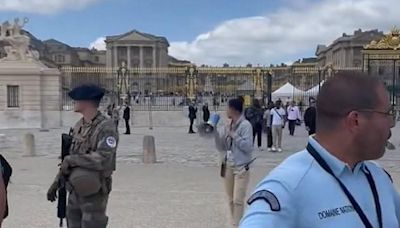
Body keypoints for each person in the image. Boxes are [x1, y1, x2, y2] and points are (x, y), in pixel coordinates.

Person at [240, 72, 399, 228]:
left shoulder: (378, 177)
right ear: (355, 121)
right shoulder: (288, 187)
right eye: (387, 114)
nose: (392, 123)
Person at [47, 84, 118, 228]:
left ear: (86, 102)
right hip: (74, 188)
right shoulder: (79, 125)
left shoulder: (106, 127)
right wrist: (56, 183)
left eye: (77, 100)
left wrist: (72, 160)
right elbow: (67, 159)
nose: (74, 103)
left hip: (94, 189)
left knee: (92, 224)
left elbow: (103, 159)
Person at [215, 98, 253, 227]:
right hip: (228, 165)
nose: (226, 110)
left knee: (238, 199)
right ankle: (234, 222)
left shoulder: (246, 125)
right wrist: (217, 132)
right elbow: (221, 147)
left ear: (233, 109)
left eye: (227, 107)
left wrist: (233, 135)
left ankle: (238, 224)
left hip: (241, 166)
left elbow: (248, 147)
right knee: (230, 199)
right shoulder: (228, 125)